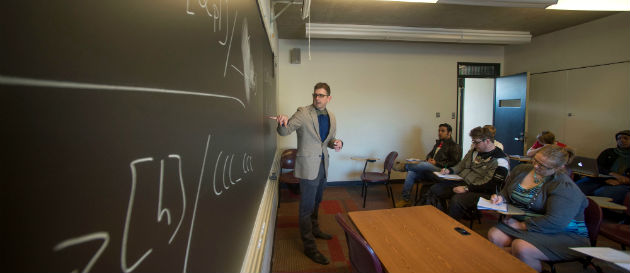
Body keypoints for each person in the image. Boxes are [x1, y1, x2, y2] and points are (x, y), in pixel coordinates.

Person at [487, 145, 588, 272]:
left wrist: (521, 226)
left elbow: (556, 222)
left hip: (564, 233)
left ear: (558, 168)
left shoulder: (564, 187)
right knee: (495, 235)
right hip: (531, 224)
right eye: (535, 160)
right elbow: (507, 192)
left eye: (543, 166)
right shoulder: (521, 170)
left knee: (521, 247)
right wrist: (500, 198)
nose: (535, 166)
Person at [275, 82, 343, 265]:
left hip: (323, 166)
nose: (317, 98)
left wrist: (337, 143)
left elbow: (328, 141)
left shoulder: (332, 116)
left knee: (317, 201)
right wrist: (282, 121)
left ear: (329, 98)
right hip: (307, 167)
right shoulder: (303, 113)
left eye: (321, 95)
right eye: (315, 95)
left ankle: (315, 229)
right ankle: (309, 247)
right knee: (305, 207)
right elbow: (285, 130)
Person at [420, 126, 509, 221]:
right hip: (465, 183)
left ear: (487, 141)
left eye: (476, 142)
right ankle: (438, 218)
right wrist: (450, 170)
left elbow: (491, 186)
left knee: (457, 199)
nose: (474, 145)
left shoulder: (500, 160)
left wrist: (467, 189)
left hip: (483, 191)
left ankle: (451, 226)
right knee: (436, 188)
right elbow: (461, 165)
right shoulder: (475, 151)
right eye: (473, 142)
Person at [395, 123, 461, 207]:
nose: (439, 133)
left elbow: (455, 162)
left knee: (424, 165)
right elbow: (429, 155)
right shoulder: (438, 144)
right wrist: (429, 159)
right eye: (439, 130)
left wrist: (436, 163)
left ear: (449, 133)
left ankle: (404, 167)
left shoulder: (455, 146)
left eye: (442, 131)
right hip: (431, 170)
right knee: (412, 172)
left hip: (442, 170)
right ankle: (405, 199)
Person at [576, 130, 630, 204]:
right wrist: (611, 174)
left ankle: (598, 213)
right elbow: (597, 167)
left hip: (622, 184)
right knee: (577, 187)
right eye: (619, 138)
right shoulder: (609, 152)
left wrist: (620, 181)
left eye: (625, 138)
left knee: (601, 193)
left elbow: (626, 179)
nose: (621, 140)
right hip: (601, 179)